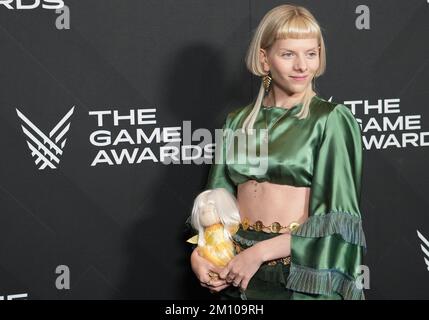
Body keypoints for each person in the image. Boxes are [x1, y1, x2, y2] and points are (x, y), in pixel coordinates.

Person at [188, 4, 366, 300]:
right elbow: (216, 200)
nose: (302, 66)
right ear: (264, 58)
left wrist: (259, 253)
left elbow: (338, 219)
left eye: (311, 53)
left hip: (300, 272)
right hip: (237, 269)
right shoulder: (241, 121)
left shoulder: (329, 119)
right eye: (288, 54)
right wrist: (202, 253)